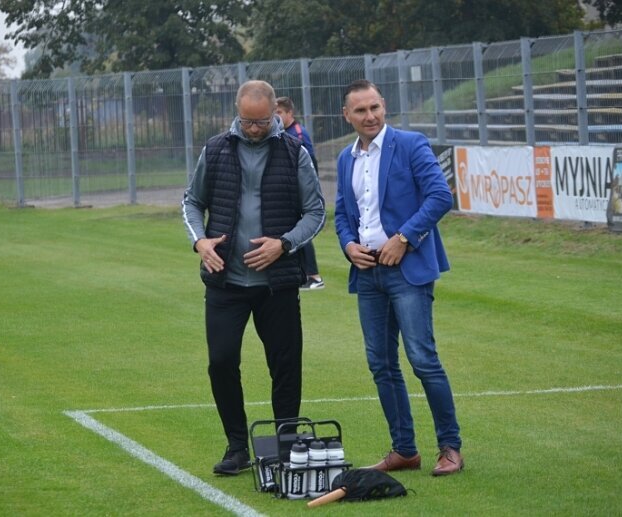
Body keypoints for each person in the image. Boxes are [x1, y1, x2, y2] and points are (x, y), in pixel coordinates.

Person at [182, 80, 326, 476]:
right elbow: (192, 201)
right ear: (237, 112)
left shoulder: (294, 151)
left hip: (276, 284)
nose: (254, 129)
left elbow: (315, 212)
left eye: (262, 122)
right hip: (226, 281)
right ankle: (236, 447)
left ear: (275, 115)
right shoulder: (215, 148)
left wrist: (283, 244)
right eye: (247, 121)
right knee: (221, 361)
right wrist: (201, 243)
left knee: (285, 364)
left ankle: (284, 444)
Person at [334, 79, 463, 476]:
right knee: (381, 365)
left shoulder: (410, 144)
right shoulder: (345, 158)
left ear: (384, 106)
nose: (369, 116)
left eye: (374, 107)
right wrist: (348, 245)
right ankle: (404, 450)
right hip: (368, 272)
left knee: (423, 359)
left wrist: (404, 238)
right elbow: (342, 211)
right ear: (347, 115)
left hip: (406, 270)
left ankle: (450, 448)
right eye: (360, 110)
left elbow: (440, 195)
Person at [275, 96, 325, 290]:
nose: (275, 116)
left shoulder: (297, 134)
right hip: (292, 189)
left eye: (279, 112)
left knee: (302, 231)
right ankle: (304, 274)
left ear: (289, 113)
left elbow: (307, 167)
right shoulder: (285, 132)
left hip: (300, 191)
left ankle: (314, 276)